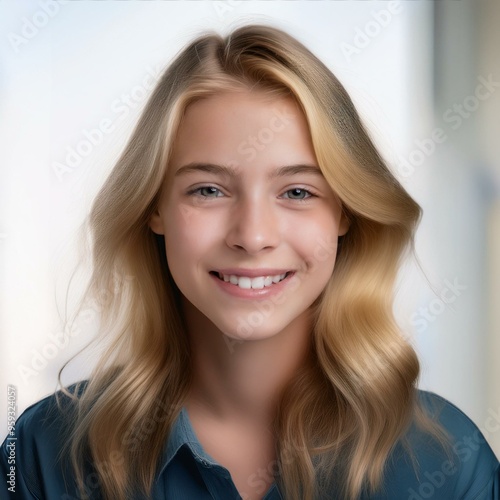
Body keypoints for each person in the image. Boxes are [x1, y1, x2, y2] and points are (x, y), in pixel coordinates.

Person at [1, 24, 499, 500]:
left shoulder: (450, 463)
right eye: (209, 189)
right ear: (154, 207)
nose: (254, 236)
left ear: (345, 212)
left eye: (298, 191)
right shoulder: (41, 454)